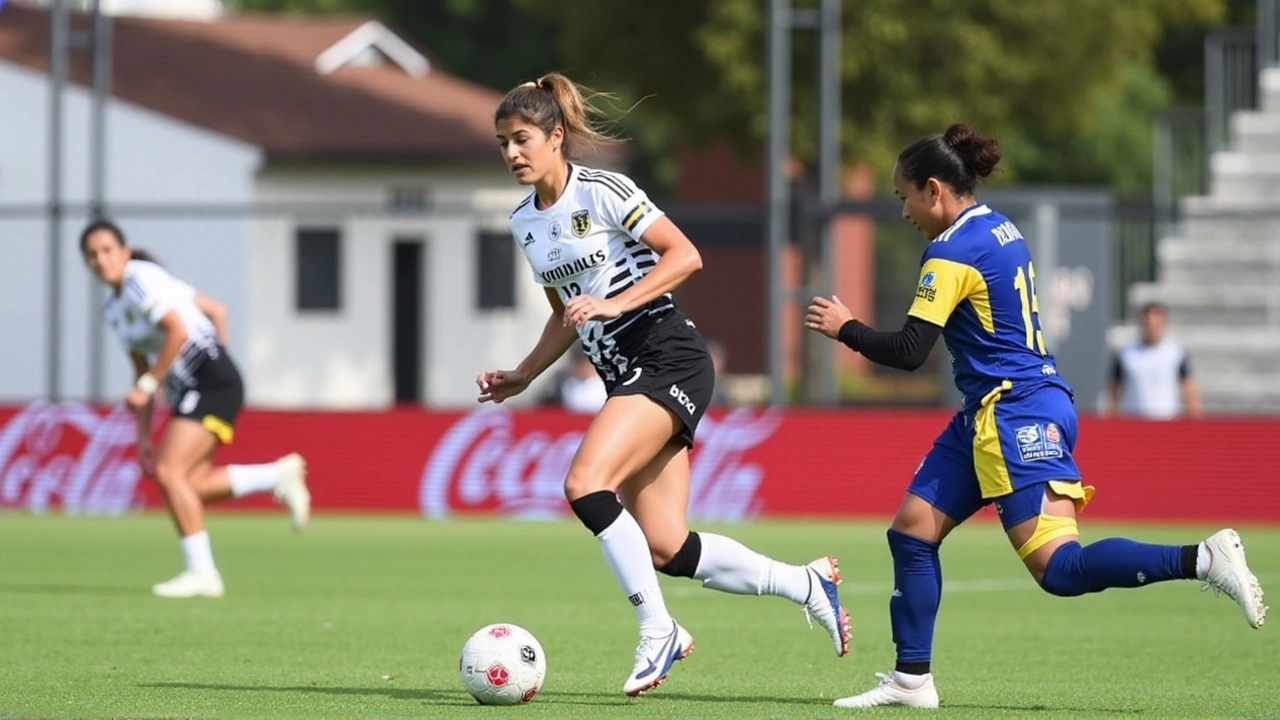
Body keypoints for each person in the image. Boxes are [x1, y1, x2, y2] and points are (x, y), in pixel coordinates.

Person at [804, 124, 1266, 710]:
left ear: (935, 190)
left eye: (904, 198)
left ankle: (1202, 559)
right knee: (913, 530)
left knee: (1060, 569)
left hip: (1012, 412)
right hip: (1004, 405)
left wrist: (844, 328)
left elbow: (909, 352)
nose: (904, 213)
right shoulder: (999, 225)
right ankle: (911, 680)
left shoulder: (948, 252)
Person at [478, 73, 850, 697]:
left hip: (667, 354)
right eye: (502, 144)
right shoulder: (526, 222)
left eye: (521, 140)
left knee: (583, 484)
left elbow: (685, 255)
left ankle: (659, 631)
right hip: (624, 373)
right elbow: (564, 311)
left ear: (556, 136)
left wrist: (614, 303)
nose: (512, 154)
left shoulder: (602, 191)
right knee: (666, 547)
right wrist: (523, 373)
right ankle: (806, 584)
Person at [81, 221, 312, 598]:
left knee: (171, 472)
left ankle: (203, 574)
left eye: (107, 250)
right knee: (190, 485)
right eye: (92, 255)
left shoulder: (140, 279)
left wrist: (164, 379)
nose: (100, 259)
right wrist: (142, 436)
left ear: (124, 252)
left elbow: (178, 332)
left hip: (209, 381)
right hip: (196, 385)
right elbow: (143, 370)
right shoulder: (115, 308)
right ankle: (277, 475)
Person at [1104, 302, 1203, 419]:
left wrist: (1194, 422)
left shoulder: (1175, 352)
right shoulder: (1126, 354)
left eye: (1156, 323)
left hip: (1167, 422)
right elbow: (1114, 392)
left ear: (1163, 323)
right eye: (1148, 323)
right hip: (1133, 422)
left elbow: (1189, 389)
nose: (1151, 327)